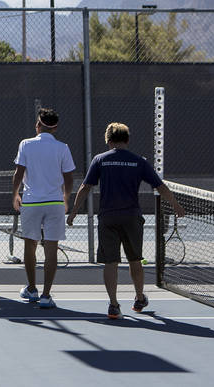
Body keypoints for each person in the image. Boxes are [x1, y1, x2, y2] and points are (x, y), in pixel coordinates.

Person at [68, 122, 186, 319]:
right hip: (131, 217)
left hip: (108, 218)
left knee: (110, 263)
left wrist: (73, 212)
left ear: (108, 140)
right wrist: (175, 204)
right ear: (127, 140)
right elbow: (160, 186)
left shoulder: (100, 160)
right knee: (134, 260)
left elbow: (85, 187)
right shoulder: (138, 161)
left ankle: (114, 305)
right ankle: (139, 298)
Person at [11, 107, 75, 309]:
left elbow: (18, 173)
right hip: (54, 203)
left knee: (30, 246)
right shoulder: (62, 147)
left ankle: (32, 289)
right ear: (55, 128)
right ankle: (46, 295)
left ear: (38, 125)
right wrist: (65, 199)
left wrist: (15, 195)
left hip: (31, 203)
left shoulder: (26, 145)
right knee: (51, 249)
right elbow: (69, 178)